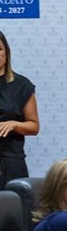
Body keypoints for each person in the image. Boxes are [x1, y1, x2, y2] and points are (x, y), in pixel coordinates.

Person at [0, 30, 39, 188]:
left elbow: (34, 126)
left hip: (11, 161)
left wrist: (14, 124)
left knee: (12, 203)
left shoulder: (21, 85)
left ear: (6, 52)